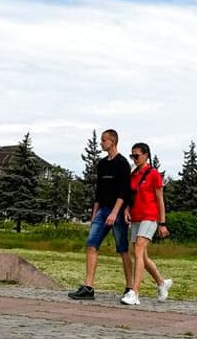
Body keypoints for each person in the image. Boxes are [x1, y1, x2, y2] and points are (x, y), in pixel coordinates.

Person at [68, 129, 133, 301]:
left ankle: (130, 287)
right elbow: (99, 191)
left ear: (113, 141)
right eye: (102, 140)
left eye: (104, 140)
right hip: (102, 209)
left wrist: (115, 212)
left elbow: (123, 191)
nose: (101, 143)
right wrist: (95, 213)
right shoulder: (102, 164)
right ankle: (88, 287)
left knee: (122, 249)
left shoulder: (122, 163)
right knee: (91, 244)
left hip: (116, 210)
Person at [121, 143, 172, 305]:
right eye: (132, 156)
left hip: (150, 217)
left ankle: (134, 293)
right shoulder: (133, 174)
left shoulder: (154, 174)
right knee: (142, 255)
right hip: (136, 217)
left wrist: (162, 223)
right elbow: (131, 195)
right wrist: (127, 209)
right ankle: (162, 283)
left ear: (146, 155)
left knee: (137, 249)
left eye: (136, 156)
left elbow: (160, 200)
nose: (134, 159)